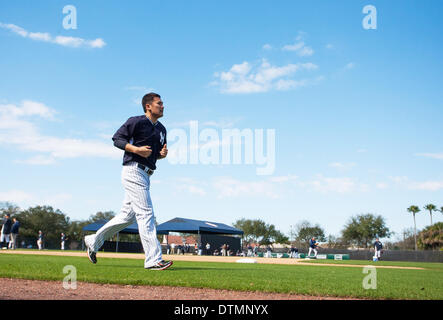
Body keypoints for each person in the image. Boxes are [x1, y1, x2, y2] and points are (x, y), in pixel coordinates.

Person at [84, 92, 172, 270]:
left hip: (146, 174)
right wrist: (136, 149)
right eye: (159, 103)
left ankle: (93, 241)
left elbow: (154, 155)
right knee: (146, 214)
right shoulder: (136, 121)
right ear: (148, 106)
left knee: (127, 216)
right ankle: (153, 259)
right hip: (133, 170)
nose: (162, 106)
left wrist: (160, 155)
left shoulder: (162, 129)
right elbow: (117, 139)